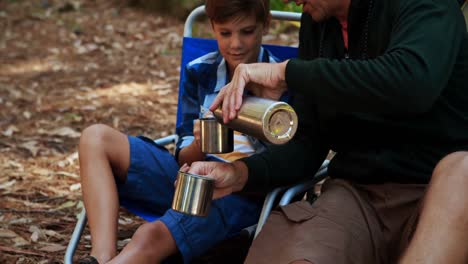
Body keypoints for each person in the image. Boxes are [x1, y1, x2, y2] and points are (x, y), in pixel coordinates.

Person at [186, 0, 468, 263]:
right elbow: (308, 142)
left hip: (436, 193)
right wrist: (239, 175)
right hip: (357, 195)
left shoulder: (428, 7)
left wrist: (285, 73)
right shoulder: (317, 22)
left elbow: (412, 84)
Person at [76, 0, 286, 263]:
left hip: (240, 197)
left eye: (246, 31)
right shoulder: (200, 72)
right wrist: (202, 143)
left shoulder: (281, 82)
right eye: (225, 33)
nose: (236, 44)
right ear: (212, 28)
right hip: (190, 180)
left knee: (150, 236)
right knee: (95, 137)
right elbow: (183, 159)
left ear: (265, 25)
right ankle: (100, 256)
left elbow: (285, 166)